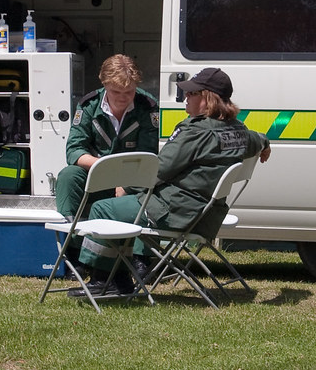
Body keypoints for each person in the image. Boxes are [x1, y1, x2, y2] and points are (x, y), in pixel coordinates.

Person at [73, 67, 271, 296]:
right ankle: (120, 275)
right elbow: (258, 139)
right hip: (207, 216)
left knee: (104, 208)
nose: (185, 98)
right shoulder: (239, 131)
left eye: (192, 94)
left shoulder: (195, 132)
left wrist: (126, 187)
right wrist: (265, 144)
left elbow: (157, 170)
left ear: (207, 99)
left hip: (175, 212)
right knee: (123, 210)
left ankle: (107, 280)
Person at [54, 54, 160, 221]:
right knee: (68, 176)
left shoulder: (148, 106)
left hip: (132, 179)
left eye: (129, 92)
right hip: (96, 174)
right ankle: (72, 237)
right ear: (104, 84)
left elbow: (148, 155)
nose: (122, 97)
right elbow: (74, 150)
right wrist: (104, 167)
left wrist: (126, 183)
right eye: (115, 91)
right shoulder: (89, 105)